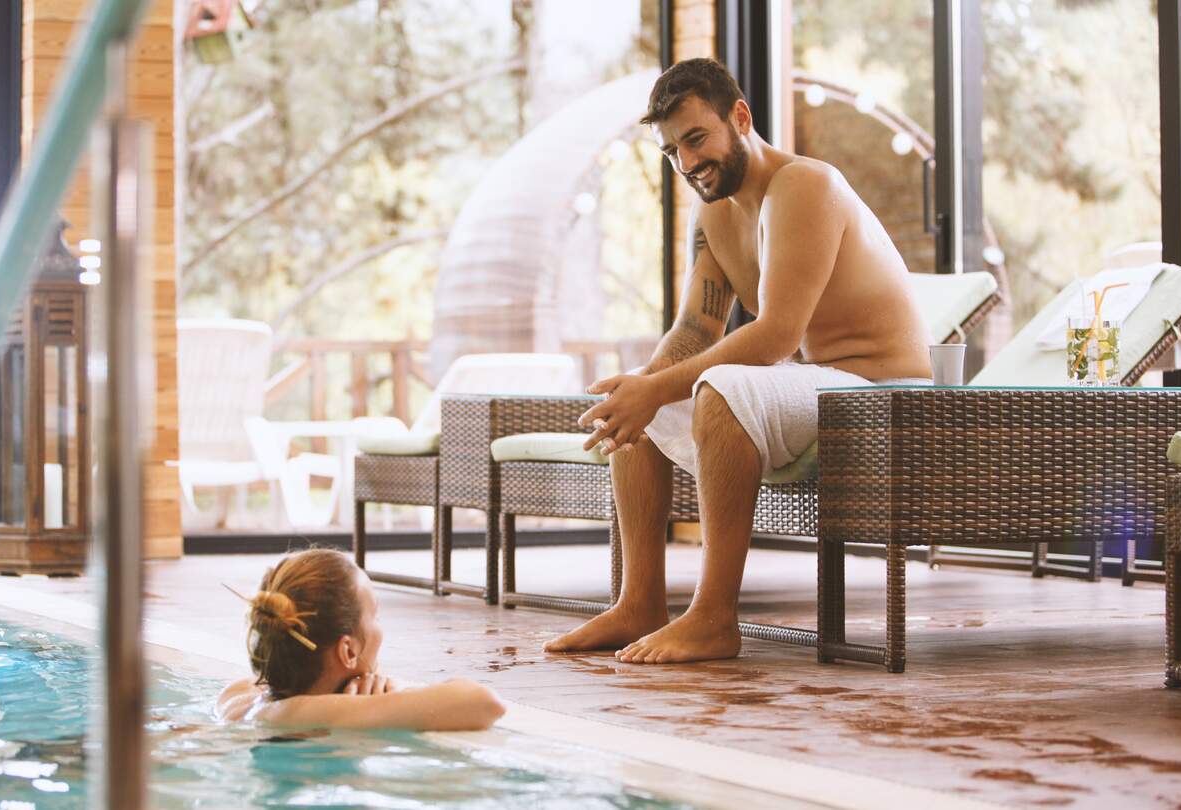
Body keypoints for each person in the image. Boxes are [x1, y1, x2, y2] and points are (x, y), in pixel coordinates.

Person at [545, 58, 932, 664]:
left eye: (696, 139)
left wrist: (657, 388)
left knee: (720, 387)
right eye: (672, 151)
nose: (687, 163)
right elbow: (695, 328)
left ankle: (713, 618)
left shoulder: (805, 185)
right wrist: (641, 392)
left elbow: (776, 335)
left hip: (878, 388)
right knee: (640, 397)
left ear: (741, 118)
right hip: (813, 382)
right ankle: (639, 602)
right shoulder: (715, 216)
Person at [216, 548, 506, 729]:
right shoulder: (318, 712)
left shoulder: (238, 696)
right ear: (348, 651)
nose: (380, 627)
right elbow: (484, 703)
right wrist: (392, 691)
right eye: (375, 616)